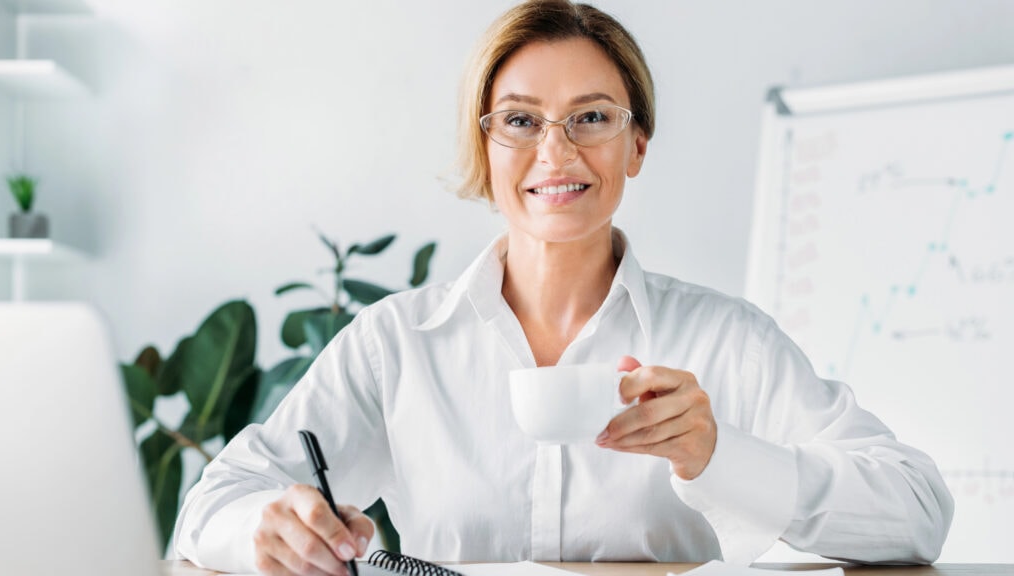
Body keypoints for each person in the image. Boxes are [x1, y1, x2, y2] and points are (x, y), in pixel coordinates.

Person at [174, 1, 954, 574]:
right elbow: (209, 508)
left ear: (637, 144)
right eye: (520, 120)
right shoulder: (396, 344)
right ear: (483, 145)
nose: (556, 150)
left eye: (591, 117)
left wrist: (720, 456)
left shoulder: (724, 341)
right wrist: (267, 531)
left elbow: (919, 512)